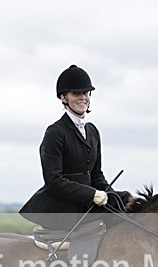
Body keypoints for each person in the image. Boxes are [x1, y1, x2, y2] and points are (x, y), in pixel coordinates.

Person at [20, 65, 132, 230]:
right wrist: (91, 194)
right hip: (64, 205)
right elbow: (54, 181)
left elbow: (96, 175)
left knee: (127, 200)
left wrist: (113, 197)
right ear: (64, 97)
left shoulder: (92, 131)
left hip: (87, 202)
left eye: (86, 93)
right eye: (76, 93)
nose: (83, 98)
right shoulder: (55, 132)